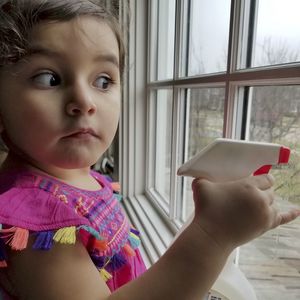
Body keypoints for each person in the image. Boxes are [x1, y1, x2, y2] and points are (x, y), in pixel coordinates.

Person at [0, 1, 299, 299]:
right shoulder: (37, 228)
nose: (84, 100)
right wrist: (213, 236)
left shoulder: (72, 176)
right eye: (49, 79)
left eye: (102, 81)